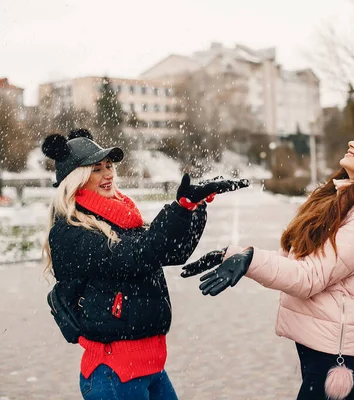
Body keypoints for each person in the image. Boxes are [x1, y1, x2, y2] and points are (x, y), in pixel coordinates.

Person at [181, 120, 354, 400]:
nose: (352, 143)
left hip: (336, 362)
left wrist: (249, 261)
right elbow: (297, 262)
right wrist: (233, 255)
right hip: (320, 352)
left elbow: (309, 277)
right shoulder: (344, 204)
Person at [41, 128, 249, 400]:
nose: (108, 174)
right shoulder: (70, 232)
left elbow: (174, 252)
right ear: (76, 179)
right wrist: (180, 208)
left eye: (109, 166)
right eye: (96, 169)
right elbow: (137, 255)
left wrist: (193, 209)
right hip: (114, 372)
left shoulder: (120, 218)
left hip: (150, 366)